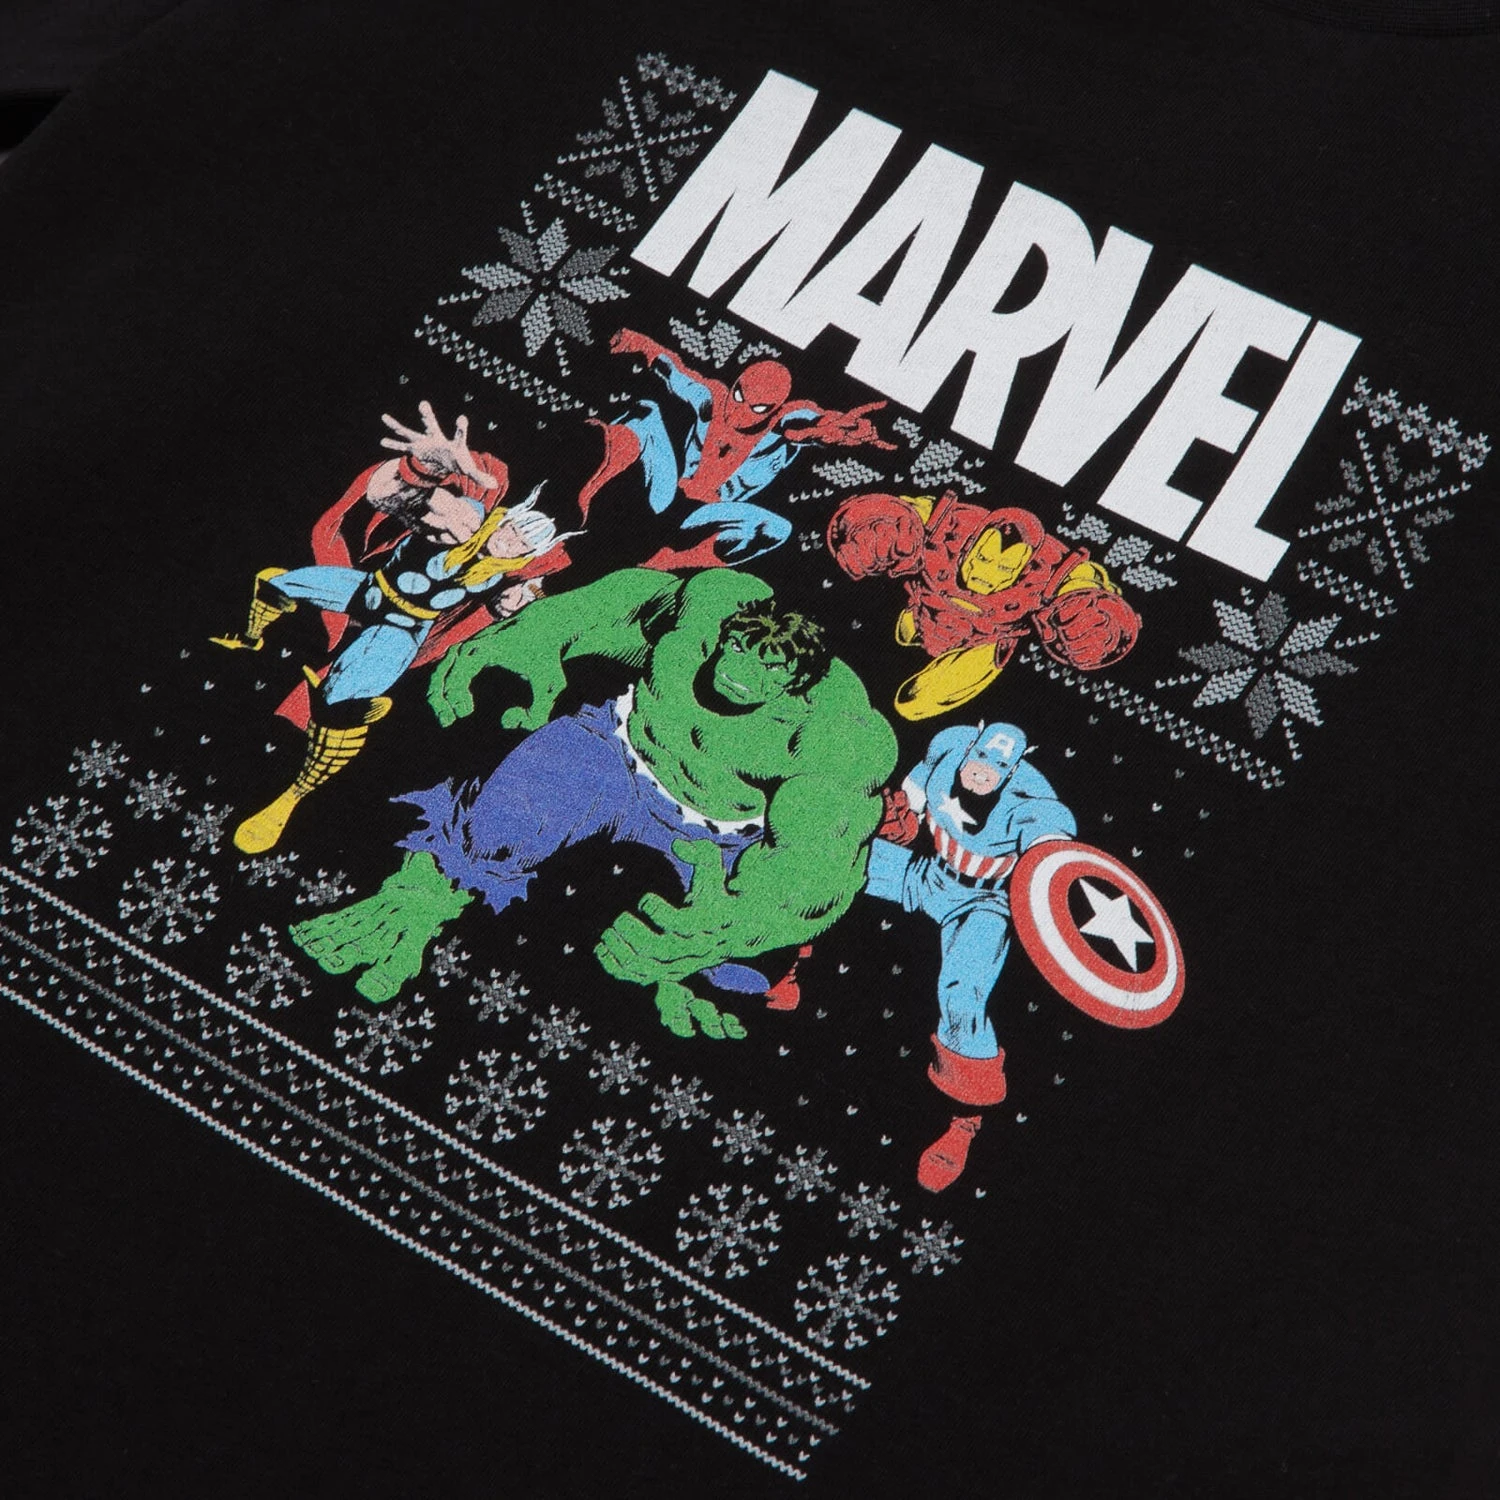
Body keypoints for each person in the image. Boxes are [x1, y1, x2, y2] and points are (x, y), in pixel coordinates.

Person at [290, 566, 898, 1039]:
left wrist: (731, 924)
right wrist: (532, 636)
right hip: (616, 750)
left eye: (769, 669)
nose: (739, 671)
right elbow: (618, 603)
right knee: (505, 817)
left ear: (795, 687)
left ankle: (686, 977)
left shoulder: (837, 735)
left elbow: (819, 862)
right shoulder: (708, 607)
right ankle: (412, 904)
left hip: (713, 835)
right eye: (738, 648)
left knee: (719, 955)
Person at [211, 402, 576, 853]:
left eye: (522, 542)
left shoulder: (503, 577)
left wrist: (517, 603)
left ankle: (291, 797)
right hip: (369, 590)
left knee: (340, 705)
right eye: (514, 529)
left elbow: (507, 608)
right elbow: (394, 498)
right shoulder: (467, 520)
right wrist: (421, 470)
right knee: (278, 584)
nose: (510, 540)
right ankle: (251, 637)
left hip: (400, 631)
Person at [869, 720, 1074, 1191]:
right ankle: (780, 959)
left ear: (1014, 770)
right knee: (831, 860)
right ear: (970, 746)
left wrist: (1048, 854)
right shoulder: (948, 748)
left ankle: (964, 1118)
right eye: (980, 758)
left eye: (997, 766)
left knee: (963, 993)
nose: (983, 771)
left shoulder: (1032, 801)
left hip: (985, 902)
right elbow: (910, 797)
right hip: (927, 874)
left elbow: (1053, 848)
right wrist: (896, 819)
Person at [577, 327, 894, 568]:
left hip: (709, 513)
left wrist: (843, 430)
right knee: (646, 412)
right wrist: (639, 342)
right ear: (736, 383)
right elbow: (675, 370)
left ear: (773, 409)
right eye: (739, 396)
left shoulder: (786, 422)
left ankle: (673, 563)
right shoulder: (712, 398)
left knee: (777, 528)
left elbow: (815, 427)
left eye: (757, 408)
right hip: (667, 491)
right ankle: (589, 491)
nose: (738, 412)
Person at [827, 489, 1140, 720]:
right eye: (984, 559)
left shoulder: (1055, 569)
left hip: (984, 641)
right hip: (923, 614)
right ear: (970, 545)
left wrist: (1096, 621)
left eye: (1004, 568)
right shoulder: (945, 523)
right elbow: (900, 511)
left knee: (913, 706)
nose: (985, 577)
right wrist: (871, 529)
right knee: (904, 635)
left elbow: (1089, 584)